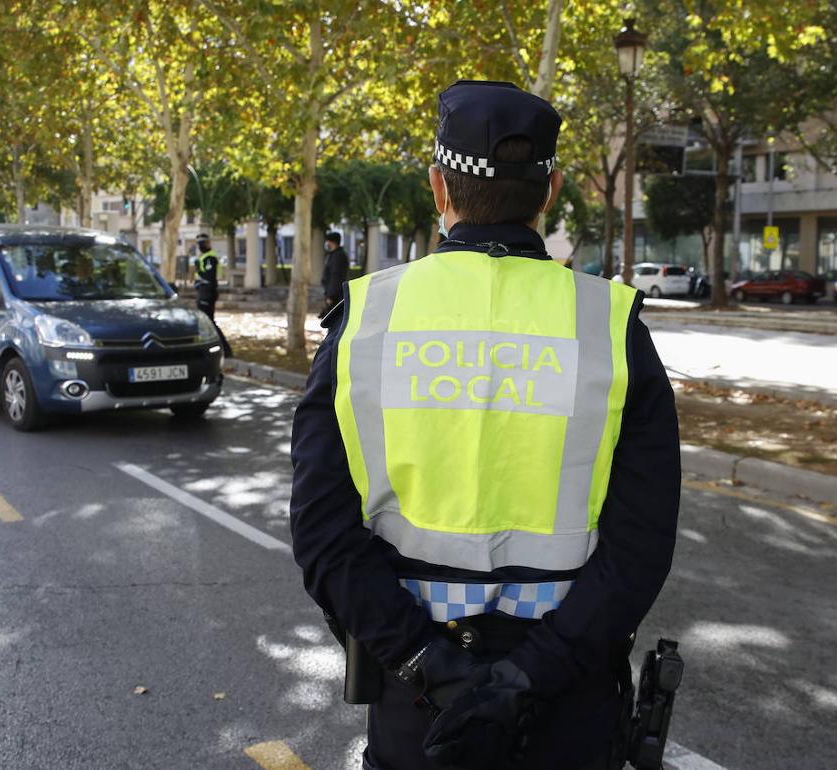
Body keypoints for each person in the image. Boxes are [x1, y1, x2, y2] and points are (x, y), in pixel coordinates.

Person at [289, 80, 680, 770]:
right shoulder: (612, 326)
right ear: (551, 190)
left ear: (439, 189)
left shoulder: (367, 321)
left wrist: (428, 663)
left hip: (420, 710)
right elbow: (639, 549)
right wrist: (525, 679)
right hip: (569, 708)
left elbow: (323, 534)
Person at [192, 233, 232, 357]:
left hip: (207, 294)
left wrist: (198, 270)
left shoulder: (210, 258)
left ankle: (225, 350)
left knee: (209, 323)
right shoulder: (204, 257)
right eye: (200, 243)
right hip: (203, 293)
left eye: (203, 243)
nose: (202, 245)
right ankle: (214, 349)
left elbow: (209, 277)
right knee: (205, 323)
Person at [320, 231, 349, 317]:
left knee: (334, 320)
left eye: (328, 241)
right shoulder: (335, 254)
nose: (326, 243)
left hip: (336, 296)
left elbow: (335, 276)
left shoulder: (337, 256)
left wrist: (331, 296)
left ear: (332, 242)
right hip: (335, 294)